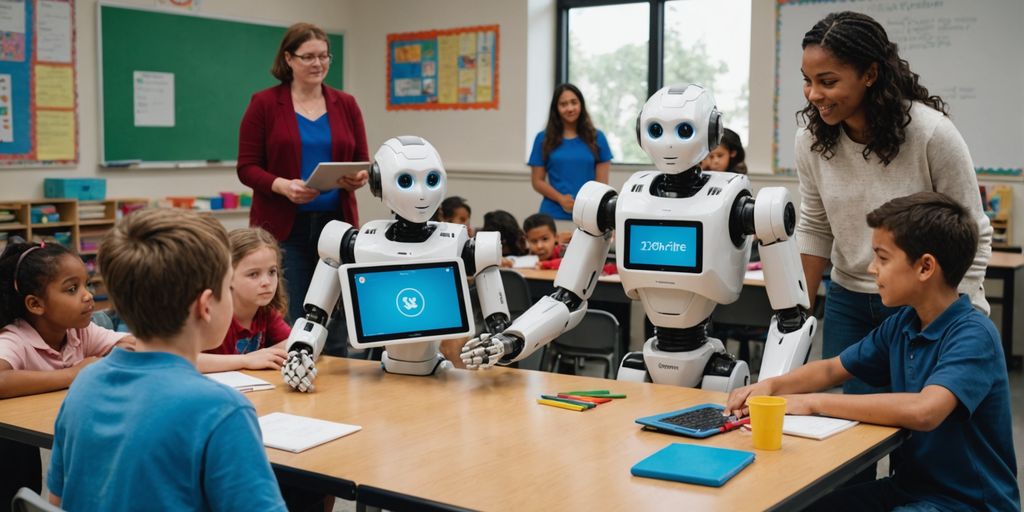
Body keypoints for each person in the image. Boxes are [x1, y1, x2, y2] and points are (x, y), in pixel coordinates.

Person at [726, 192, 1019, 512]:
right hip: (909, 489)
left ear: (925, 268)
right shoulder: (904, 324)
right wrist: (769, 386)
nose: (871, 268)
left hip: (968, 503)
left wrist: (813, 403)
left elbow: (925, 410)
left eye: (882, 257)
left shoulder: (973, 335)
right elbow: (830, 370)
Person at [794, 11, 992, 395]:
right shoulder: (810, 141)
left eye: (828, 81)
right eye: (808, 81)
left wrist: (952, 319)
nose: (814, 94)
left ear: (869, 74)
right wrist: (795, 313)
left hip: (921, 302)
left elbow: (973, 231)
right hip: (848, 299)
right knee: (847, 436)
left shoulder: (932, 134)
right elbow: (815, 228)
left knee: (919, 436)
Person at [47, 208, 287, 511]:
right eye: (227, 287)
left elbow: (55, 503)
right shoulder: (222, 409)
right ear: (205, 307)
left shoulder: (84, 384)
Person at [237, 22, 369, 327]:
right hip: (285, 229)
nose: (318, 64)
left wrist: (359, 177)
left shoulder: (346, 104)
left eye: (324, 56)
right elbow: (246, 167)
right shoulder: (265, 104)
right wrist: (282, 186)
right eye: (308, 56)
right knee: (293, 316)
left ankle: (336, 371)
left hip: (336, 226)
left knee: (335, 317)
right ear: (288, 59)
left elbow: (362, 161)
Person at [0, 239, 136, 506]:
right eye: (72, 289)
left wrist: (123, 351)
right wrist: (72, 374)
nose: (87, 295)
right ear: (36, 304)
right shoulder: (14, 338)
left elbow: (130, 344)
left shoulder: (79, 331)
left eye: (88, 284)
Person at [197, 227, 288, 373]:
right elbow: (185, 360)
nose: (266, 282)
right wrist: (246, 360)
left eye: (272, 271)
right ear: (228, 276)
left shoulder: (266, 312)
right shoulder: (211, 314)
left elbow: (292, 343)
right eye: (253, 274)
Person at [528, 83, 612, 224]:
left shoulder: (598, 138)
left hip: (589, 214)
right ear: (556, 108)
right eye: (563, 104)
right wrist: (560, 199)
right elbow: (537, 181)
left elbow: (602, 184)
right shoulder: (542, 139)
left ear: (581, 105)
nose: (570, 108)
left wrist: (585, 203)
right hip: (552, 215)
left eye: (574, 102)